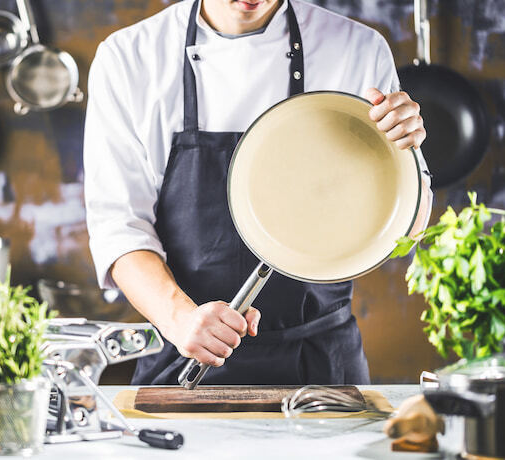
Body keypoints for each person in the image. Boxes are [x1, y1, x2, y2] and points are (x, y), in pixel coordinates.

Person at [84, 0, 432, 385]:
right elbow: (118, 227)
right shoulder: (130, 58)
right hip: (184, 357)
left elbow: (408, 230)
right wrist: (180, 319)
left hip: (320, 363)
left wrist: (406, 156)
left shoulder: (356, 49)